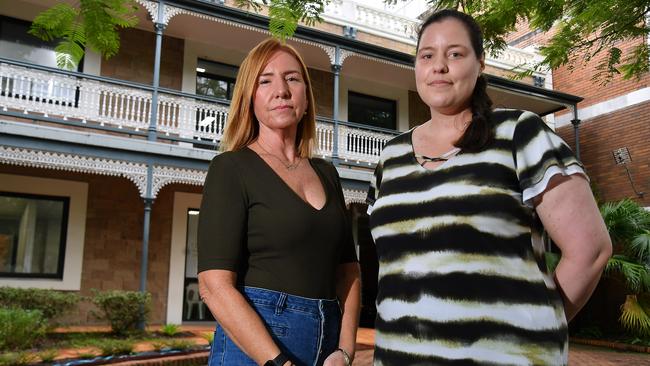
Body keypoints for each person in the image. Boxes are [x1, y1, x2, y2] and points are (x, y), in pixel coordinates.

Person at [366, 9, 612, 365]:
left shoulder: (519, 133)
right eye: (427, 55)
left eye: (455, 54)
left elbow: (590, 251)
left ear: (479, 64)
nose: (439, 66)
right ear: (416, 66)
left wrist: (535, 326)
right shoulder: (391, 155)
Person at [197, 38, 361, 366]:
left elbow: (349, 273)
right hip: (255, 349)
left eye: (292, 78)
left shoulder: (327, 173)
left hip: (326, 344)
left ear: (306, 96)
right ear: (249, 97)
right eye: (265, 80)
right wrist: (277, 363)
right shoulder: (231, 168)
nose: (281, 90)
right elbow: (214, 286)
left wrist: (345, 350)